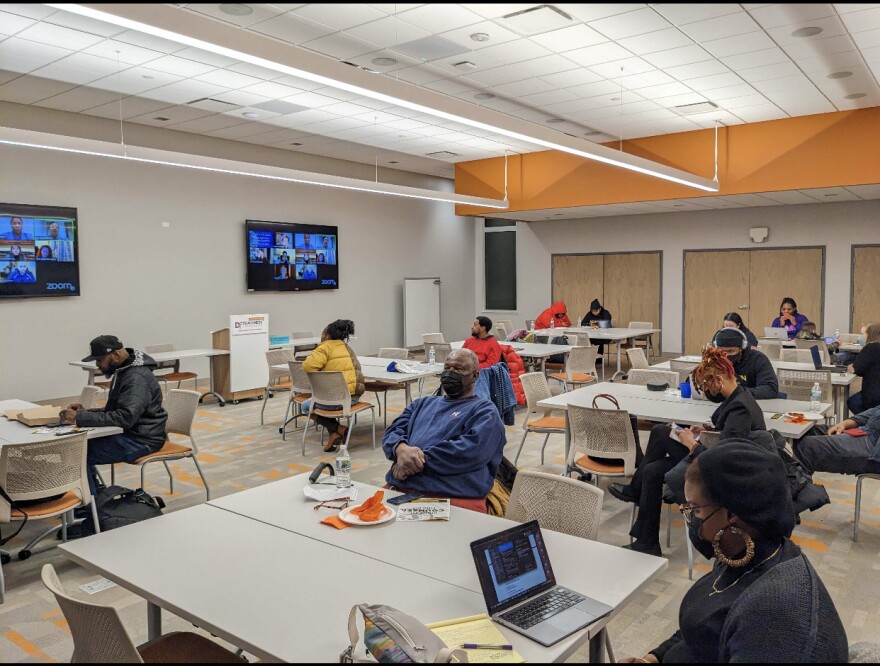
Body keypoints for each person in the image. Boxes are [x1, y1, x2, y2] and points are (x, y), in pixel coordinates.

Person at [621, 442, 847, 663]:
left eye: (696, 510)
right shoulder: (746, 552)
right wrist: (654, 658)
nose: (693, 521)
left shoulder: (776, 619)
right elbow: (705, 627)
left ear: (732, 516)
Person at [608, 347, 766, 555]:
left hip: (722, 473)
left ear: (719, 379)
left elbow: (725, 459)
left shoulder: (740, 408)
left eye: (709, 384)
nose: (708, 390)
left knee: (659, 432)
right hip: (711, 458)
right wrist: (707, 431)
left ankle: (634, 493)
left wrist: (692, 442)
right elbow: (727, 436)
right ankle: (647, 542)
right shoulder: (738, 398)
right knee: (652, 470)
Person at [382, 348, 506, 514]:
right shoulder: (421, 404)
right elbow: (392, 432)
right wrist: (400, 449)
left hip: (449, 496)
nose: (450, 373)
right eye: (447, 368)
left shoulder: (485, 411)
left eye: (458, 369)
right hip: (399, 490)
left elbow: (469, 451)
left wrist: (413, 461)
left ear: (475, 376)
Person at [59, 336, 168, 495]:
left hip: (142, 440)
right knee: (78, 447)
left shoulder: (135, 377)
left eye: (99, 360)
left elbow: (125, 417)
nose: (97, 365)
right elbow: (114, 410)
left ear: (116, 355)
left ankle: (90, 505)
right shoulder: (125, 370)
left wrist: (78, 418)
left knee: (79, 452)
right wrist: (83, 413)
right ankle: (93, 495)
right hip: (134, 434)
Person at [302, 319, 365, 452]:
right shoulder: (347, 347)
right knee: (316, 402)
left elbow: (307, 366)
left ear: (327, 334)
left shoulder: (324, 348)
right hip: (353, 398)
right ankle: (334, 435)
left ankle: (339, 429)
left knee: (306, 406)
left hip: (333, 400)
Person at [795, 402, 880, 478]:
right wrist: (846, 423)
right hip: (868, 432)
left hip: (874, 451)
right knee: (805, 431)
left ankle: (794, 491)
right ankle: (796, 488)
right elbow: (876, 410)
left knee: (808, 447)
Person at [710, 327, 778, 399]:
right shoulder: (715, 360)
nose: (727, 355)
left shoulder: (758, 359)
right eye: (722, 351)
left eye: (731, 351)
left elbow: (770, 389)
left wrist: (736, 392)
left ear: (741, 348)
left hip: (754, 404)